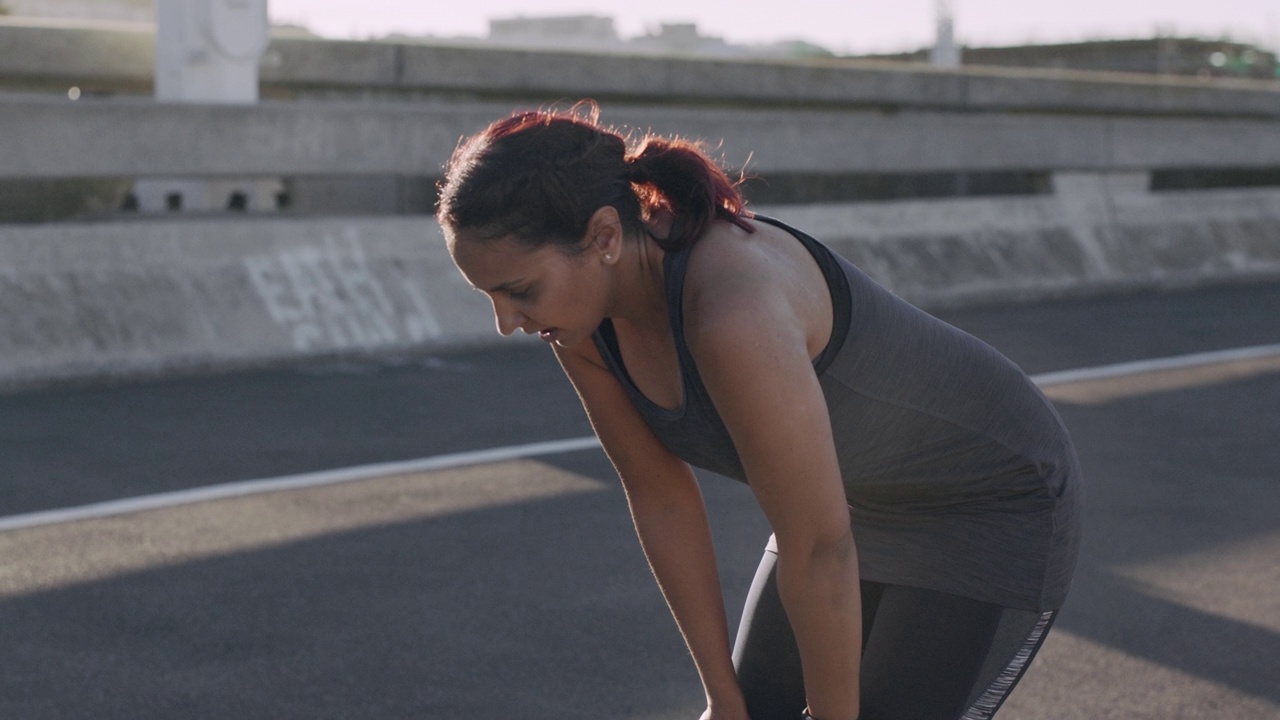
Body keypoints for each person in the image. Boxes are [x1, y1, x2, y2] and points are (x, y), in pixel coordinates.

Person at [435, 104, 1083, 720]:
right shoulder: (577, 322)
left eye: (518, 291)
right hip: (856, 502)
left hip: (989, 501)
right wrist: (724, 697)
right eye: (490, 296)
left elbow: (821, 549)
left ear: (604, 235)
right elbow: (662, 499)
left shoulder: (733, 314)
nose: (505, 322)